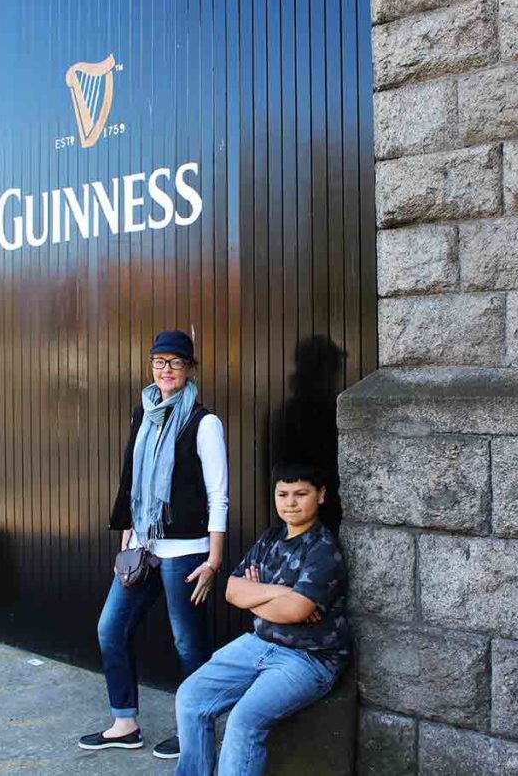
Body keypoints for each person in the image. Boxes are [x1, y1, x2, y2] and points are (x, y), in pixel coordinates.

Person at [79, 330, 228, 760]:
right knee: (111, 628)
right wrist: (128, 535)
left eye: (174, 363)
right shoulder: (143, 415)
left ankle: (196, 730)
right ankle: (124, 723)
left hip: (186, 552)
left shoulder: (205, 423)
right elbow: (132, 483)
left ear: (190, 369)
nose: (165, 370)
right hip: (144, 549)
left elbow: (218, 494)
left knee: (188, 644)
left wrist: (215, 558)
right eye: (158, 362)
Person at [174, 463, 351, 775]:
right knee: (191, 697)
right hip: (259, 643)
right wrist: (279, 593)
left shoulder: (323, 549)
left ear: (321, 496)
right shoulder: (270, 538)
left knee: (244, 720)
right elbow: (231, 589)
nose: (290, 502)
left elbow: (294, 610)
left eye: (301, 494)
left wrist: (257, 595)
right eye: (283, 494)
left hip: (309, 659)